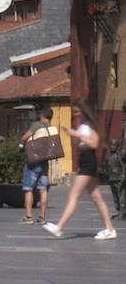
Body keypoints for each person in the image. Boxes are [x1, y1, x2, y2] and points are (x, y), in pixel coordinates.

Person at [42, 99, 117, 240]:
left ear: (83, 109)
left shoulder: (92, 126)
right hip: (85, 160)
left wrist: (78, 136)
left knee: (73, 196)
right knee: (97, 198)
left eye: (76, 110)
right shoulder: (84, 124)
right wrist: (75, 137)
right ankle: (110, 229)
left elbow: (95, 144)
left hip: (89, 161)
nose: (75, 113)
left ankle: (59, 228)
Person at [19, 108, 56, 225]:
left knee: (28, 189)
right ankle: (42, 216)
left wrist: (21, 143)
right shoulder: (51, 128)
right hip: (45, 161)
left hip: (33, 161)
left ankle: (29, 216)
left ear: (42, 115)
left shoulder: (37, 125)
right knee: (43, 189)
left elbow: (25, 137)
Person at [103, 140, 125, 219]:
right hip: (111, 178)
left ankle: (122, 213)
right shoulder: (107, 157)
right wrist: (106, 173)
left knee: (121, 196)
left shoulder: (119, 156)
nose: (113, 147)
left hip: (118, 178)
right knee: (115, 196)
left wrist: (123, 176)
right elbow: (105, 166)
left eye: (114, 146)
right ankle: (119, 211)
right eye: (111, 145)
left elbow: (123, 166)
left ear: (117, 147)